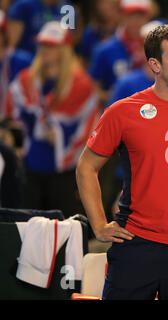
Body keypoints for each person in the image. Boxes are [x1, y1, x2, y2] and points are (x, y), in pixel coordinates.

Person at [76, 24, 168, 300]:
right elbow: (86, 166)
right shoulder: (123, 111)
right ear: (154, 64)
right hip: (136, 245)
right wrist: (98, 225)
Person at [5, 21, 100, 218]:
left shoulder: (81, 85)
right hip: (30, 167)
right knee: (29, 227)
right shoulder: (26, 80)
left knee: (63, 227)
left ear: (64, 49)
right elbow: (13, 114)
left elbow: (89, 126)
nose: (44, 49)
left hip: (64, 171)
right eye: (43, 44)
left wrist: (58, 135)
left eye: (51, 45)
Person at [88, 0, 154, 107]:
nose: (135, 21)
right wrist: (117, 95)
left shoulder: (159, 47)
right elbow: (92, 89)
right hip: (117, 113)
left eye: (140, 15)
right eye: (130, 15)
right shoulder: (105, 49)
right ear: (121, 16)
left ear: (148, 17)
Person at [6, 0, 76, 56]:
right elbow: (11, 45)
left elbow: (69, 44)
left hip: (58, 63)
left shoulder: (69, 8)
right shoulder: (24, 5)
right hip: (28, 60)